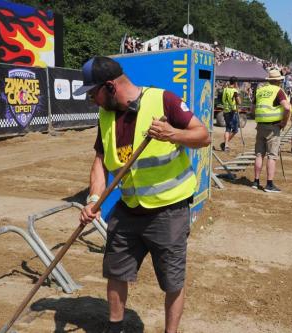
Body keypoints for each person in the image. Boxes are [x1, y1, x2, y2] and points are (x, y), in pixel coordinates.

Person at [73, 56, 210, 333]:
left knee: (172, 282)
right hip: (128, 208)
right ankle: (115, 326)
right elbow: (100, 160)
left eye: (93, 93)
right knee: (115, 270)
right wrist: (92, 199)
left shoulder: (163, 101)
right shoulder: (106, 115)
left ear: (110, 86)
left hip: (168, 211)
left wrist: (173, 134)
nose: (91, 101)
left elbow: (203, 135)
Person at [250, 69, 291, 193]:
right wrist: (284, 122)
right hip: (273, 127)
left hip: (260, 126)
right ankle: (269, 184)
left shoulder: (260, 91)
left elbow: (252, 109)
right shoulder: (279, 91)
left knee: (259, 154)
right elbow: (287, 108)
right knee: (272, 156)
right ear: (279, 81)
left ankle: (256, 182)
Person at [220, 77, 241, 151]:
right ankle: (225, 143)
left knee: (228, 128)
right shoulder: (235, 91)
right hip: (232, 111)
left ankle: (225, 145)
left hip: (225, 111)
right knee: (235, 130)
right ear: (235, 83)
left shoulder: (225, 89)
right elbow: (239, 102)